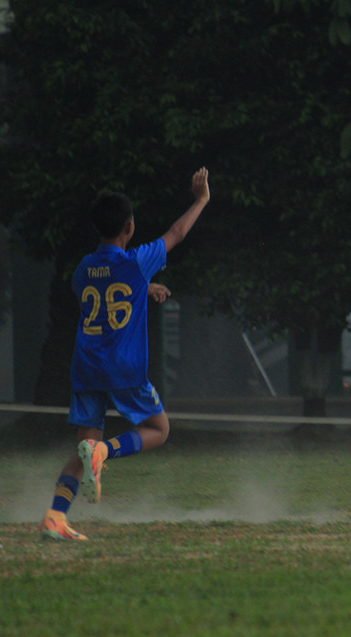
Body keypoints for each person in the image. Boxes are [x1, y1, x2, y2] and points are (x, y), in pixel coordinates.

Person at [40, 167, 211, 540]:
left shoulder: (85, 267)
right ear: (130, 228)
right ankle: (105, 452)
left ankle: (55, 517)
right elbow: (177, 233)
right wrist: (200, 199)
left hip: (86, 368)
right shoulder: (136, 262)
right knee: (158, 429)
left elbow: (100, 292)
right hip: (123, 367)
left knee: (82, 446)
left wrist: (143, 290)